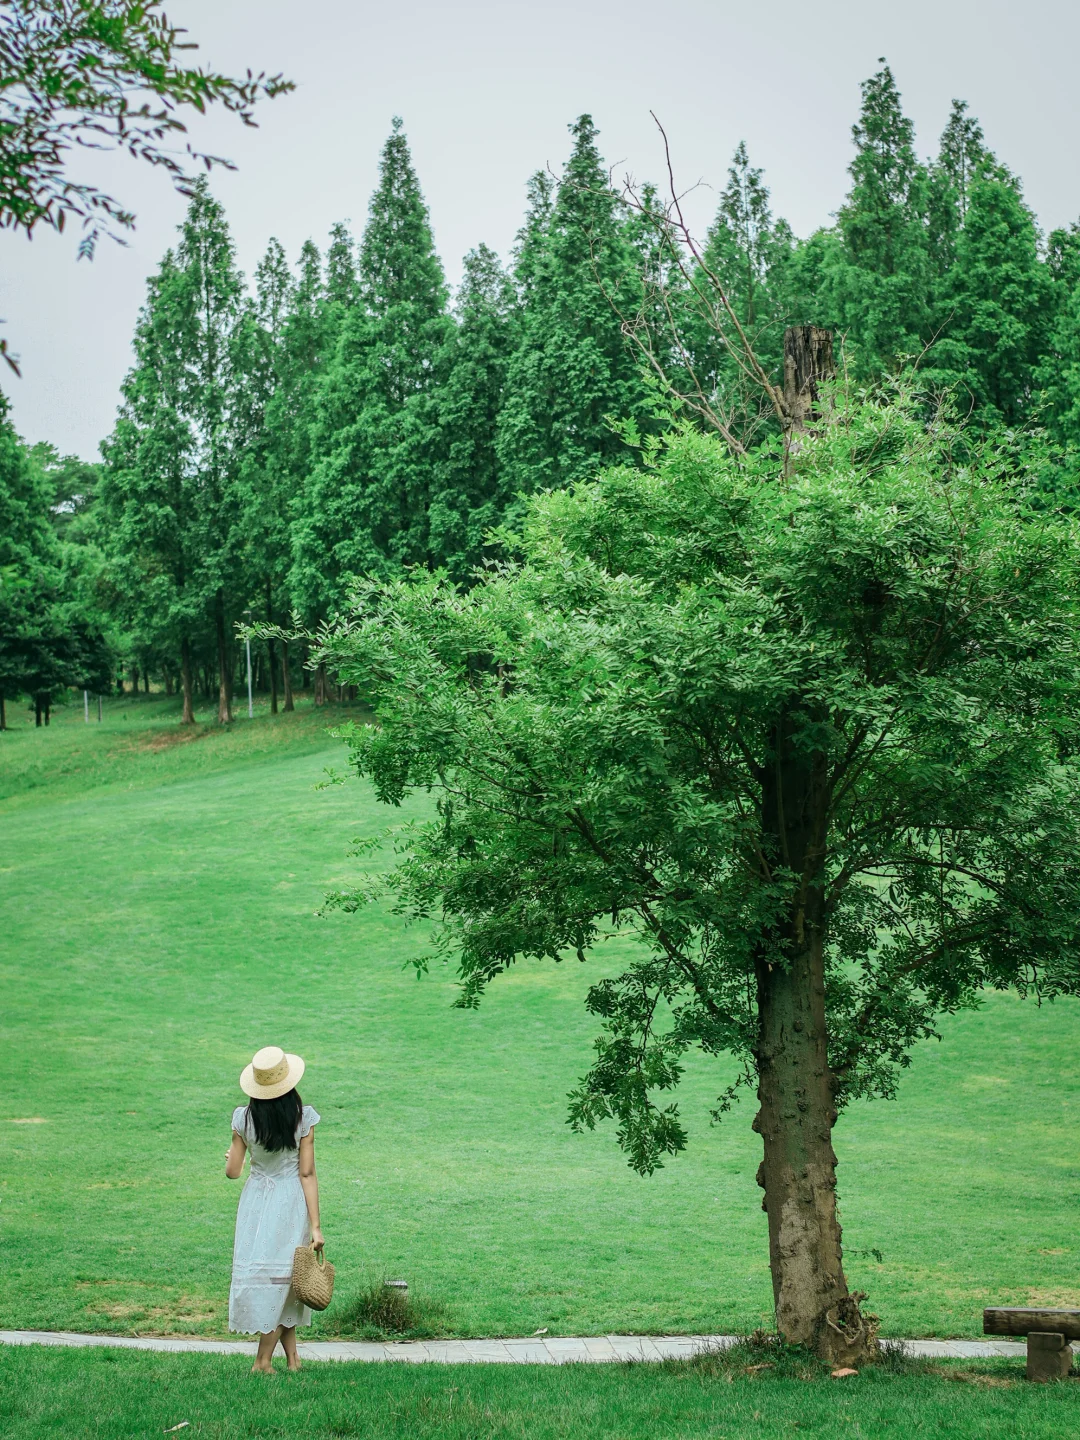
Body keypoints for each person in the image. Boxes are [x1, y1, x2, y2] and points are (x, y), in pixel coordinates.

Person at [225, 1045, 324, 1373]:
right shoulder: (302, 1119)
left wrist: (231, 1156)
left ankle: (293, 1360)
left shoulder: (244, 1118)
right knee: (284, 1282)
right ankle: (263, 1361)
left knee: (284, 1281)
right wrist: (316, 1226)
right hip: (290, 1202)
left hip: (256, 1202)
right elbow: (306, 1173)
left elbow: (233, 1172)